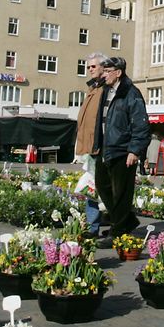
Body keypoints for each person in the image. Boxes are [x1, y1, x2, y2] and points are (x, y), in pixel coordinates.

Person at [93, 56, 149, 240]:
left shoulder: (130, 93)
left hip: (123, 150)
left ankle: (118, 232)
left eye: (108, 71)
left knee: (122, 193)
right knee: (102, 186)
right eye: (104, 70)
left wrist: (134, 150)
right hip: (105, 148)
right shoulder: (106, 90)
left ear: (118, 73)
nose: (105, 74)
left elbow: (141, 125)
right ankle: (125, 221)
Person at [74, 52, 108, 238]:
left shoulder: (106, 89)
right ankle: (92, 227)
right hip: (91, 147)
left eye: (93, 66)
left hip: (101, 146)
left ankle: (119, 224)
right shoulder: (93, 88)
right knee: (92, 187)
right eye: (88, 67)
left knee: (102, 188)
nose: (90, 69)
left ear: (104, 67)